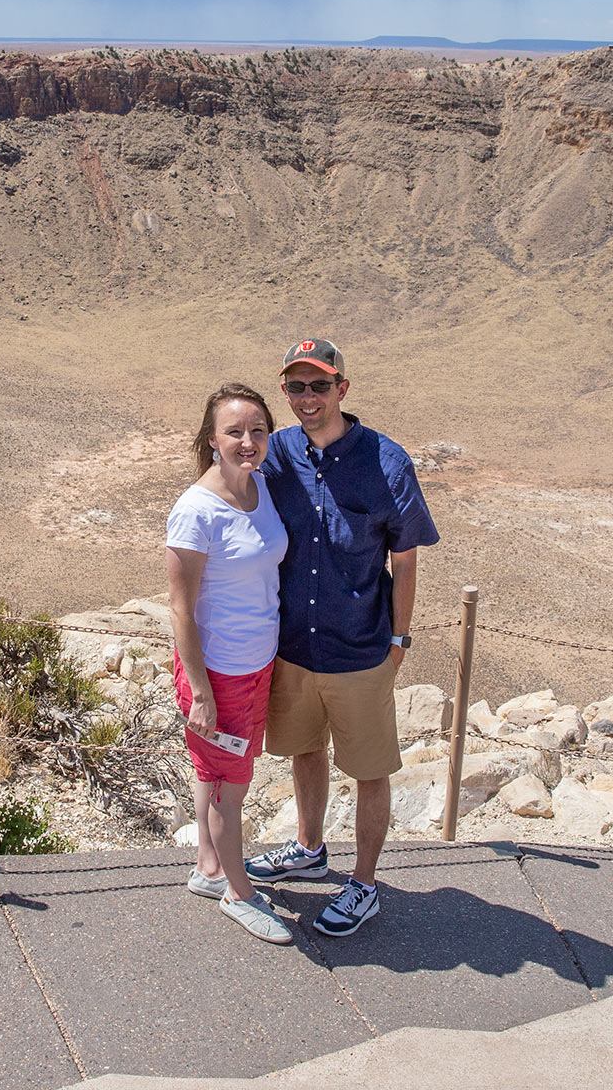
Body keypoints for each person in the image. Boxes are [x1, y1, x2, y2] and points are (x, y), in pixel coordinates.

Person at [246, 339, 439, 936]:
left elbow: (404, 559)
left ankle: (365, 883)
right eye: (295, 387)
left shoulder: (385, 460)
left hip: (360, 646)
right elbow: (224, 482)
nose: (307, 398)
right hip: (294, 646)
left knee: (369, 768)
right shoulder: (276, 453)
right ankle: (309, 850)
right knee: (305, 750)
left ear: (343, 390)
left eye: (319, 386)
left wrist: (400, 641)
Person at [165, 383, 294, 945]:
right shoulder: (196, 511)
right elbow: (180, 609)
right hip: (218, 671)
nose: (248, 441)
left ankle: (209, 869)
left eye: (258, 430)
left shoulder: (260, 488)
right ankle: (240, 894)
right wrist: (201, 691)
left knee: (213, 774)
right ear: (211, 440)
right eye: (234, 432)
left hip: (255, 662)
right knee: (231, 786)